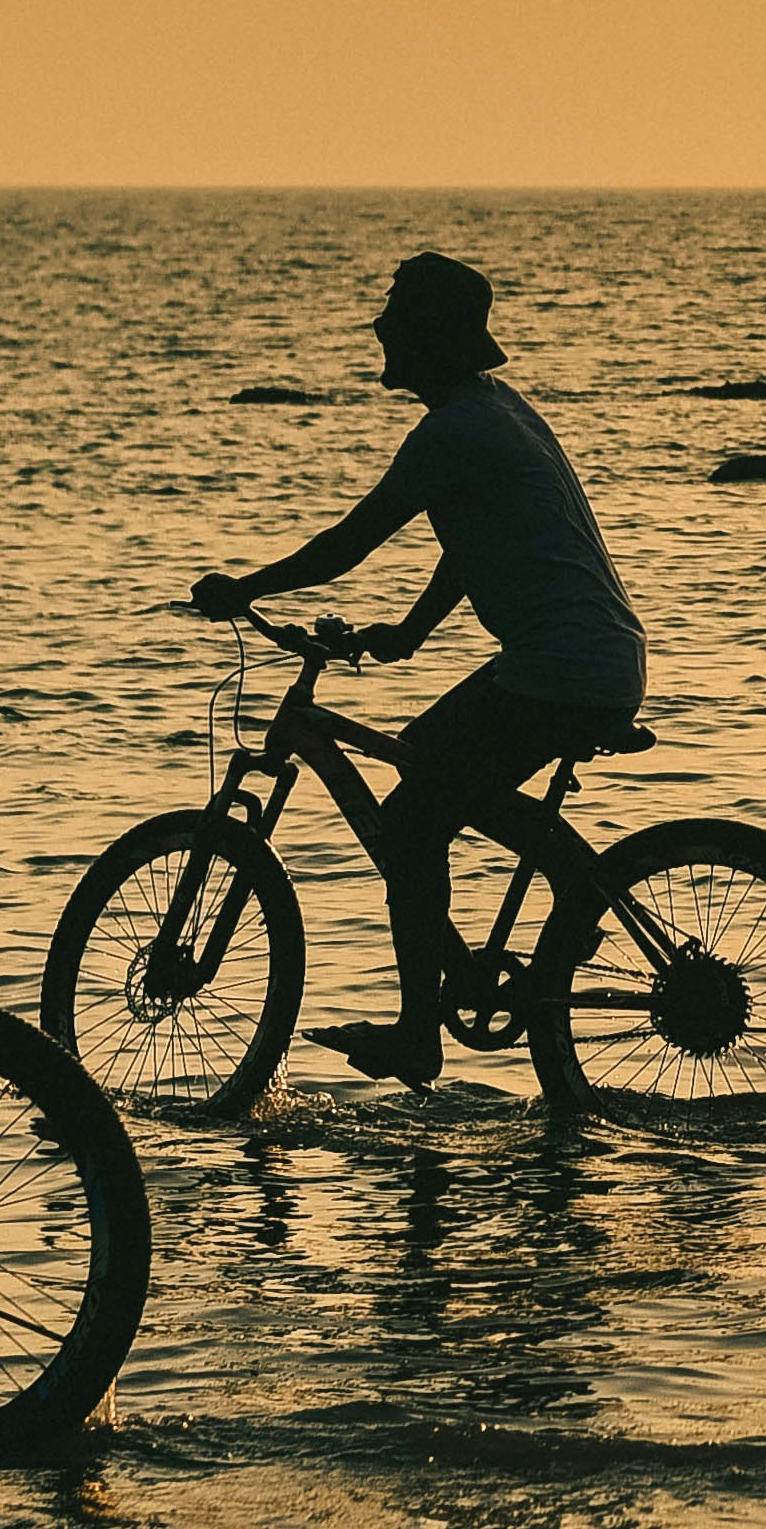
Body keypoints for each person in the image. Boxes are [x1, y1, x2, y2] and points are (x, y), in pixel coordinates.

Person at [185, 251, 645, 1090]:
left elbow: (349, 544)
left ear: (429, 336)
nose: (379, 326)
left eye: (394, 313)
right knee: (428, 762)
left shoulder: (454, 429)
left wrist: (243, 586)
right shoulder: (494, 412)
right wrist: (408, 633)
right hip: (588, 660)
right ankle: (575, 889)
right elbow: (472, 544)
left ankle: (416, 1034)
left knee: (407, 825)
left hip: (560, 667)